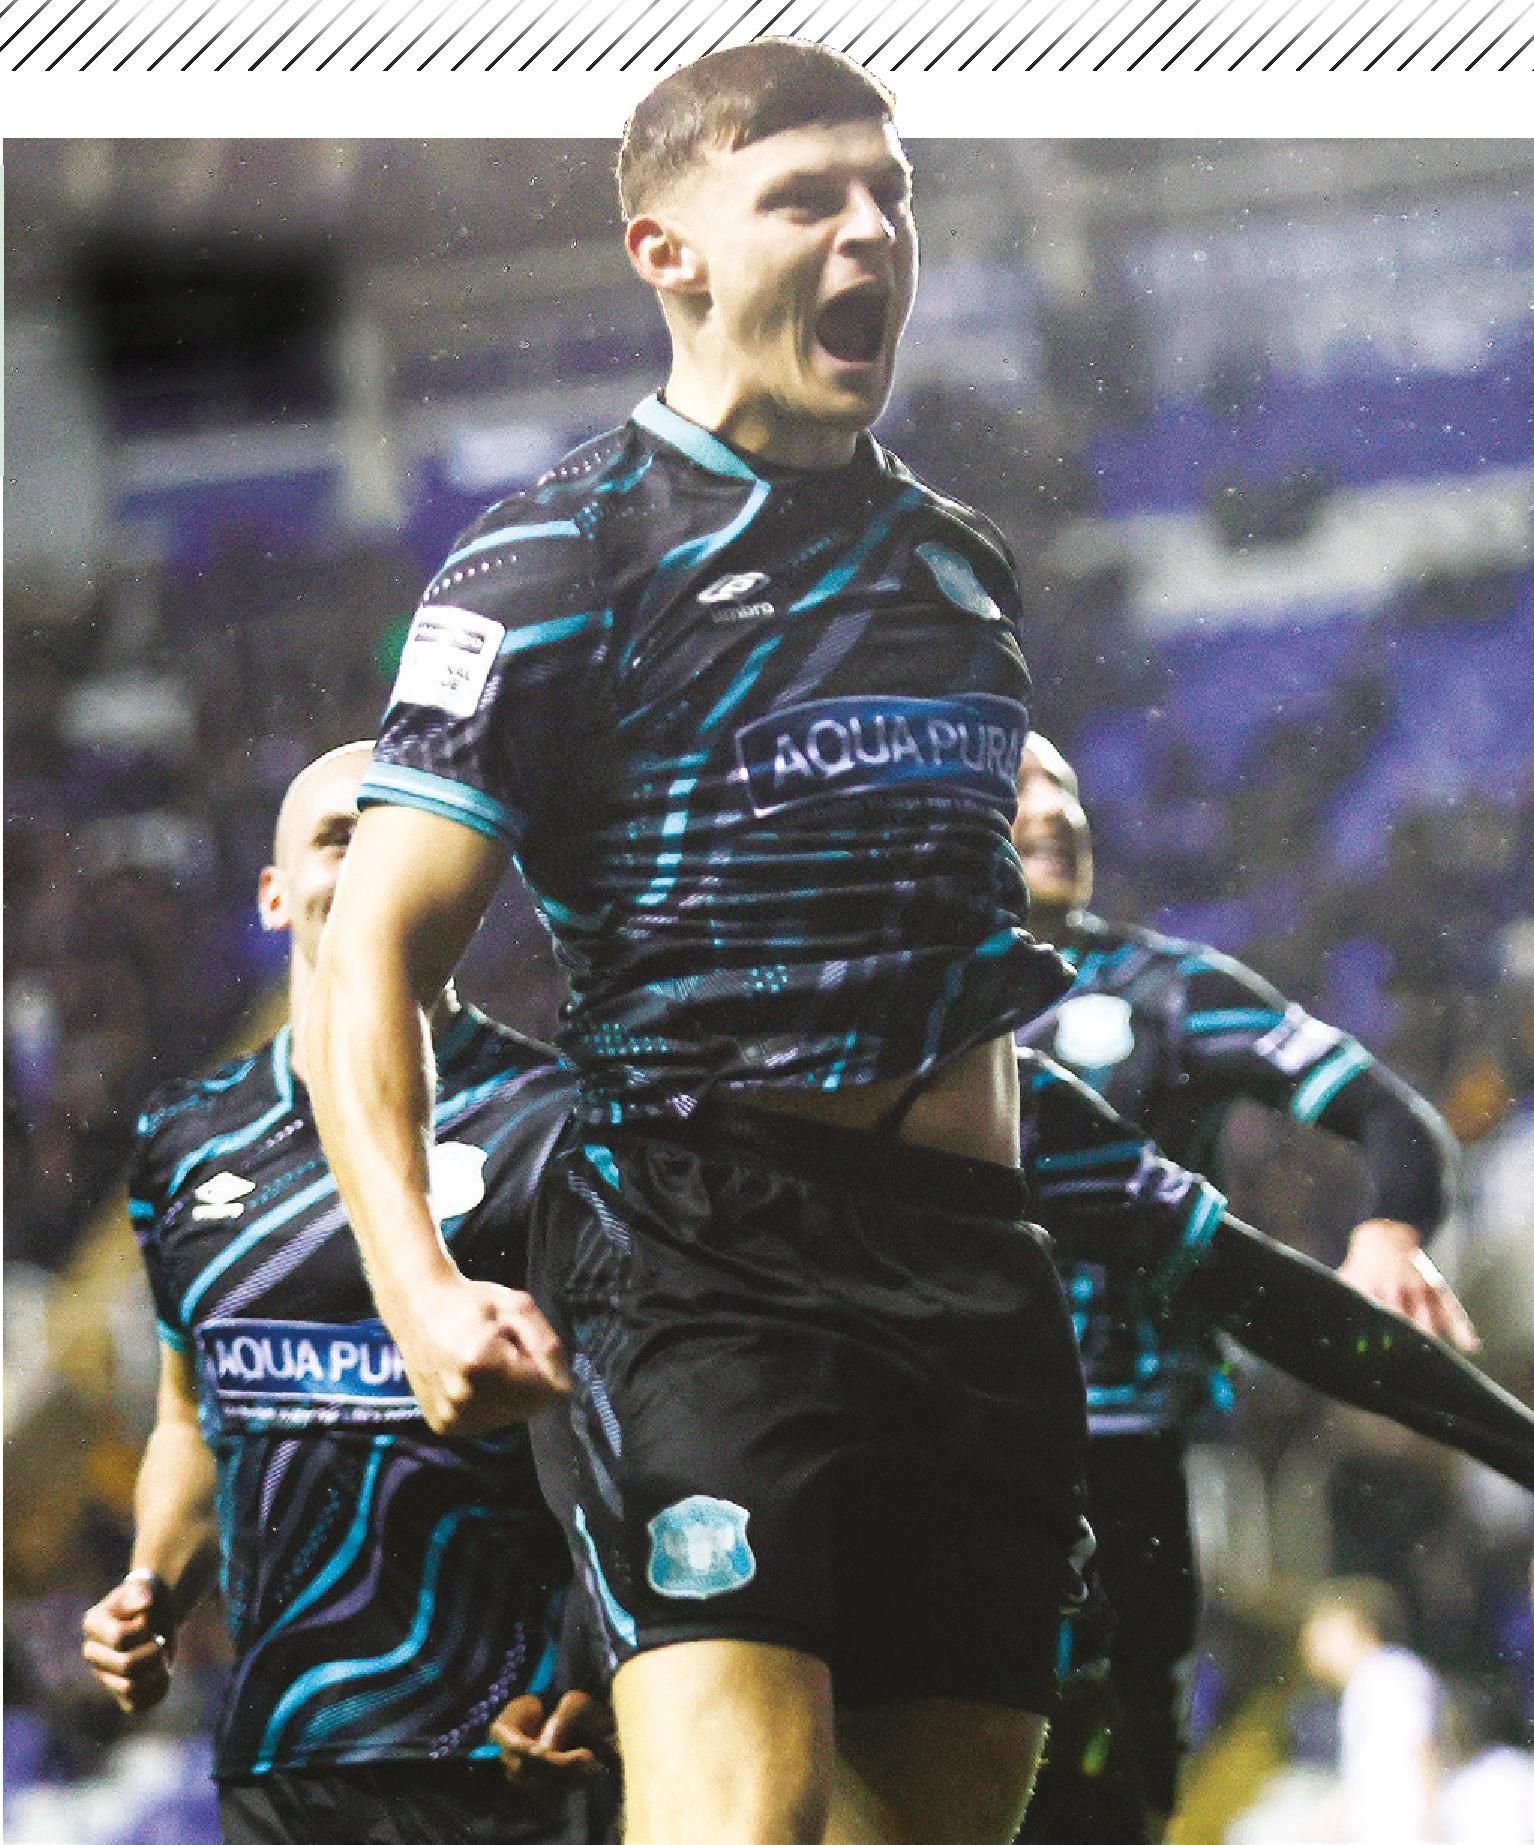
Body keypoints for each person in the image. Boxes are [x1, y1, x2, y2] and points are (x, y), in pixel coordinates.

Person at [305, 41, 1091, 1845]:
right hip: (705, 1265)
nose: (868, 232)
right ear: (666, 251)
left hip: (974, 1269)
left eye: (889, 194)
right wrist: (417, 1285)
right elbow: (374, 956)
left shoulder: (960, 567)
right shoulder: (552, 559)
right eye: (805, 198)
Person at [80, 743, 614, 1845]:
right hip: (282, 1758)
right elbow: (192, 1416)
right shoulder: (184, 1139)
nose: (374, 859)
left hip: (512, 1749)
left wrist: (599, 1663)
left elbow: (630, 1428)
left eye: (401, 837)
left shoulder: (560, 1122)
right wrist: (151, 1588)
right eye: (339, 836)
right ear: (274, 895)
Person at [1011, 733, 1474, 1845]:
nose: (1055, 810)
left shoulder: (1169, 991)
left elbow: (1389, 1114)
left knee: (1120, 1771)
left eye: (1066, 786)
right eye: (1017, 786)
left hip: (1126, 1451)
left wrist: (1387, 1232)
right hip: (934, 1447)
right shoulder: (887, 1007)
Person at [1299, 1577, 1441, 1845]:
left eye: (1327, 1630)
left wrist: (1435, 1831)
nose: (1313, 1641)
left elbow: (1421, 1749)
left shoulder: (1388, 1674)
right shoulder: (1367, 1681)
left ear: (1363, 1628)